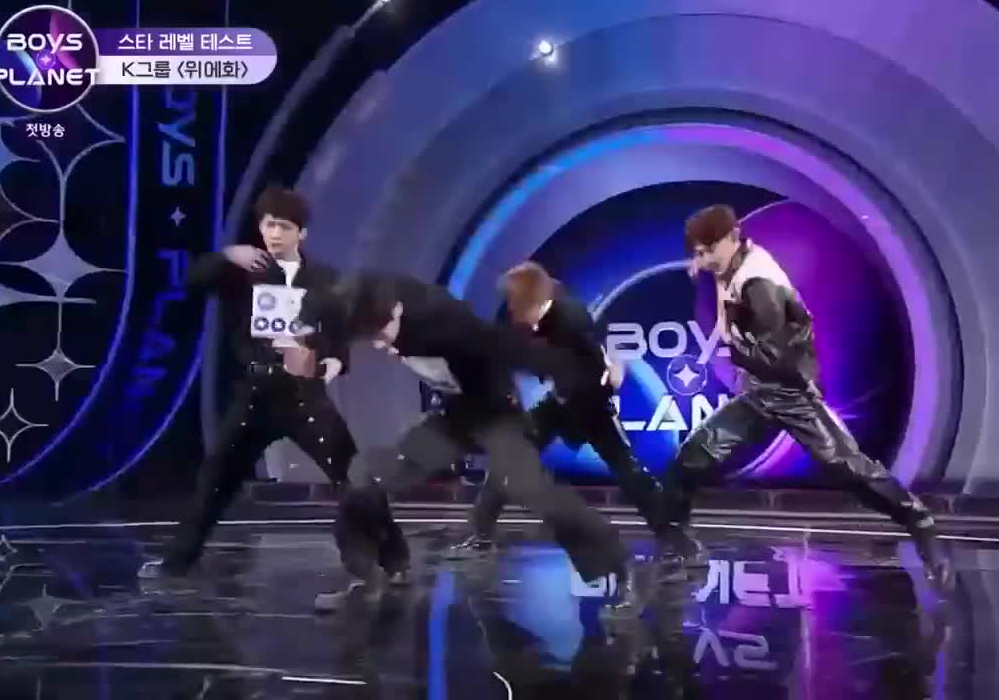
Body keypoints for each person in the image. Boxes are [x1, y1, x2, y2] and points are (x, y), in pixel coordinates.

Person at [304, 271, 642, 618]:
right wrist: (324, 348)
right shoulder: (371, 300)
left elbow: (509, 347)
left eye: (383, 336)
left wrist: (575, 371)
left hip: (495, 412)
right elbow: (335, 308)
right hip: (454, 417)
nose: (381, 347)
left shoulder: (445, 321)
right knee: (365, 473)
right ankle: (373, 573)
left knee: (531, 489)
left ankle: (618, 568)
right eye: (371, 339)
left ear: (397, 311)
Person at [672, 205, 951, 587]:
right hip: (760, 392)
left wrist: (738, 354)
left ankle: (920, 522)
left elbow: (777, 358)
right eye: (698, 253)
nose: (703, 261)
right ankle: (680, 547)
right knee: (692, 457)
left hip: (789, 391)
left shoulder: (758, 283)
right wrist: (705, 269)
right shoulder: (730, 264)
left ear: (732, 237)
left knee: (849, 469)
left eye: (708, 252)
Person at [139, 186, 357, 579]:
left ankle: (388, 559)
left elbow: (339, 340)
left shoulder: (324, 280)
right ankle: (177, 563)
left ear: (301, 233)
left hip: (304, 395)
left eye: (283, 226)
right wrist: (227, 254)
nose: (274, 234)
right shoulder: (245, 271)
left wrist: (326, 366)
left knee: (353, 475)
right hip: (254, 394)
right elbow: (191, 282)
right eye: (268, 225)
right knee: (215, 478)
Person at [445, 262, 707, 579]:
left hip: (590, 403)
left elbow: (599, 372)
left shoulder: (572, 320)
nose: (511, 310)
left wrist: (610, 377)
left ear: (530, 301)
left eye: (515, 303)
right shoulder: (529, 313)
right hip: (559, 399)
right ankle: (481, 537)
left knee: (629, 472)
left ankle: (678, 542)